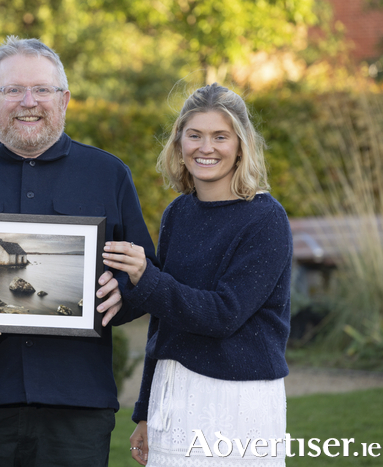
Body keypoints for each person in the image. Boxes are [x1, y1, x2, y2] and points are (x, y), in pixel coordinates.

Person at [0, 36, 159, 466]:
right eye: (13, 90)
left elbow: (143, 270)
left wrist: (125, 290)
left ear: (64, 99)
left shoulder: (109, 175)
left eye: (42, 89)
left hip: (76, 407)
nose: (28, 101)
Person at [103, 83, 292, 466]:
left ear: (241, 145)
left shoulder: (265, 219)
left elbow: (224, 313)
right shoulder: (178, 214)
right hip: (171, 395)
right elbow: (164, 320)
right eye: (195, 135)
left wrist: (146, 276)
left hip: (237, 401)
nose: (206, 148)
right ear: (179, 143)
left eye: (220, 136)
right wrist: (143, 410)